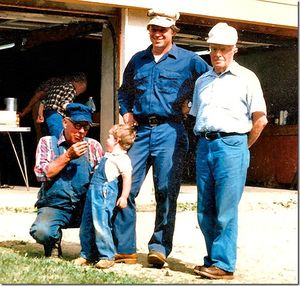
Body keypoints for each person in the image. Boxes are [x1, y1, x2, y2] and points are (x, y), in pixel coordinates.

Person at [113, 8, 211, 268]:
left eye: (163, 30)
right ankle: (124, 248)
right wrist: (127, 112)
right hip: (141, 132)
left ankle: (158, 247)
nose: (157, 34)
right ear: (149, 31)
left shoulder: (190, 60)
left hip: (171, 131)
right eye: (153, 29)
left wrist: (192, 104)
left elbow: (211, 83)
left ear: (173, 32)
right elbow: (124, 92)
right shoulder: (138, 60)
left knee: (166, 190)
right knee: (125, 186)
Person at [189, 23, 268, 279]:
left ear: (235, 49)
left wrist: (241, 147)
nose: (217, 54)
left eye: (223, 49)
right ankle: (212, 259)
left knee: (226, 209)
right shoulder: (202, 80)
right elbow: (194, 116)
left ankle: (224, 264)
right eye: (213, 49)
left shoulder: (247, 79)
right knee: (205, 209)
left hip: (232, 145)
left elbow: (260, 120)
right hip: (205, 144)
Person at [29, 103, 104, 258]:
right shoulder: (47, 142)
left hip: (84, 207)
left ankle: (96, 249)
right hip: (56, 205)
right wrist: (68, 156)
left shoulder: (93, 146)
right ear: (65, 122)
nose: (81, 132)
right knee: (42, 232)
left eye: (86, 127)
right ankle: (53, 242)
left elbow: (102, 180)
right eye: (77, 126)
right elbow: (43, 174)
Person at [73, 124, 136, 269]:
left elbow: (127, 178)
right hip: (92, 192)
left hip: (104, 192)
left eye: (109, 137)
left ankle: (107, 255)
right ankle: (87, 254)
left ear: (117, 140)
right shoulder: (108, 155)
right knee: (87, 224)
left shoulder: (122, 158)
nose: (106, 139)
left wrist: (124, 196)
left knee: (101, 224)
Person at [35, 73, 88, 138]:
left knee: (48, 138)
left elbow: (43, 101)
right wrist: (75, 111)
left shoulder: (57, 86)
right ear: (79, 84)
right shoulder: (71, 89)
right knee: (58, 138)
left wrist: (40, 115)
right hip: (56, 115)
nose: (78, 94)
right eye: (80, 91)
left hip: (46, 114)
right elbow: (65, 103)